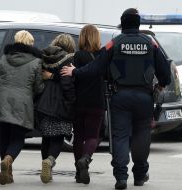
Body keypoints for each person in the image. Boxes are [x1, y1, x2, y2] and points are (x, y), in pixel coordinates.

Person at [61, 8, 171, 190]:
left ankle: (121, 177)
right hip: (144, 98)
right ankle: (140, 175)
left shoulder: (115, 43)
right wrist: (159, 86)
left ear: (122, 23)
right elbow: (165, 73)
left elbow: (96, 67)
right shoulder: (150, 43)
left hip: (120, 97)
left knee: (120, 137)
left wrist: (75, 71)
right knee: (141, 136)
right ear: (138, 24)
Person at [0, 30, 44, 185]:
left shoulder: (4, 58)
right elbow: (39, 87)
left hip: (2, 100)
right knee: (18, 137)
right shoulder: (36, 62)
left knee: (4, 135)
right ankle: (8, 160)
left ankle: (7, 170)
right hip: (22, 103)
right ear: (30, 44)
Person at [35, 34, 76, 184]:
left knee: (46, 137)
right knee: (58, 137)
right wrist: (72, 102)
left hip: (43, 103)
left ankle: (47, 167)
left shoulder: (43, 58)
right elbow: (67, 84)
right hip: (61, 105)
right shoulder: (69, 60)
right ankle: (50, 161)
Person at [72, 24, 105, 184]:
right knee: (92, 135)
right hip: (97, 101)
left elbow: (72, 78)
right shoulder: (102, 55)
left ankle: (79, 173)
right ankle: (85, 159)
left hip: (79, 101)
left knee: (78, 136)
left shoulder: (77, 56)